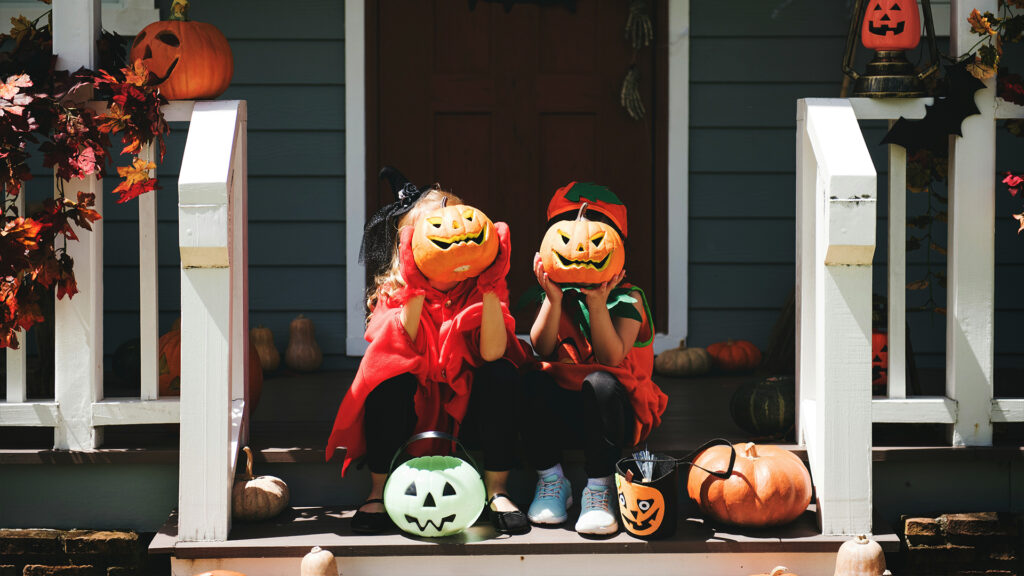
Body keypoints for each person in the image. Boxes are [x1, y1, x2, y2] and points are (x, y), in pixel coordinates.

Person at [325, 168, 530, 536]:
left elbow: (493, 352)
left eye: (460, 230)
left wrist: (490, 286)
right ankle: (377, 491)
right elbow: (397, 350)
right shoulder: (396, 292)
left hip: (468, 412)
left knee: (501, 374)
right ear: (412, 245)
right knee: (387, 380)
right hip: (413, 413)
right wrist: (416, 288)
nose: (452, 239)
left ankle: (498, 489)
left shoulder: (482, 289)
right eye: (436, 233)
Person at [523, 182, 668, 535]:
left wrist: (597, 302)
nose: (581, 247)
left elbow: (611, 356)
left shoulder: (628, 301)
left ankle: (600, 487)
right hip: (568, 410)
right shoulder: (555, 296)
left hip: (612, 413)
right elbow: (541, 348)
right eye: (567, 237)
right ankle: (552, 481)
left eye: (597, 240)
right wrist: (554, 300)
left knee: (599, 382)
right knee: (532, 376)